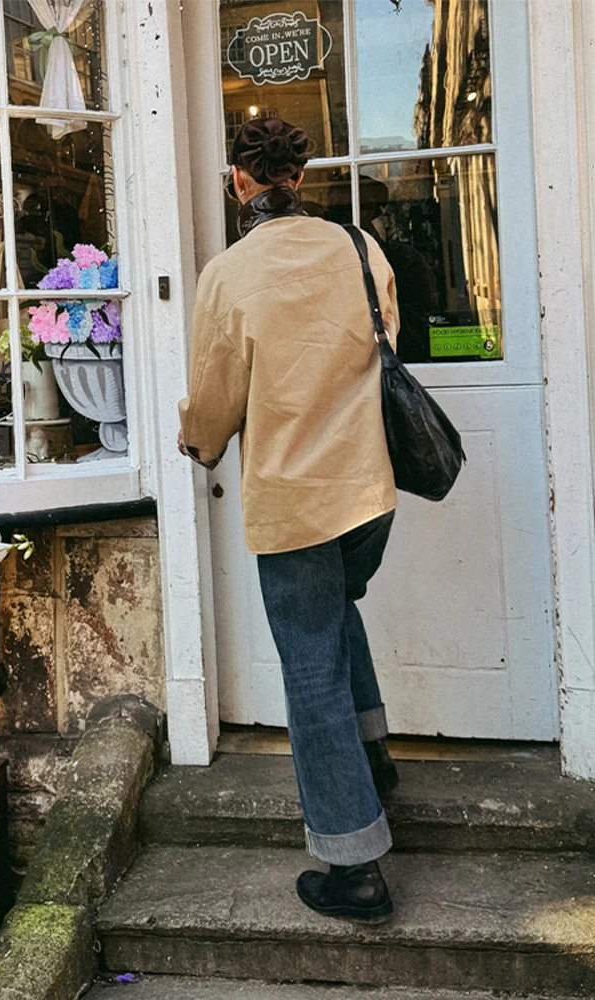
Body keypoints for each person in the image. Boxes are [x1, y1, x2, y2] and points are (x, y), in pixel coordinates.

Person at [178, 118, 400, 924]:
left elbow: (212, 402)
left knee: (309, 668)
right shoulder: (358, 247)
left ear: (239, 180)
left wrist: (197, 443)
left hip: (293, 496)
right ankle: (374, 763)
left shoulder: (229, 275)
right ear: (297, 176)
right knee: (336, 610)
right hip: (370, 491)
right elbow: (386, 345)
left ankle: (355, 864)